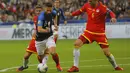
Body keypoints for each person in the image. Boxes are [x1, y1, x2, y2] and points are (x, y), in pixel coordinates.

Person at [67, 0, 123, 72]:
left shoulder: (103, 8)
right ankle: (75, 67)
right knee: (76, 44)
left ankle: (116, 66)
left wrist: (113, 17)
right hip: (88, 32)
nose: (89, 2)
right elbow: (79, 11)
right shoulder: (87, 5)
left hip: (100, 34)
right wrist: (71, 14)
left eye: (90, 1)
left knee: (107, 53)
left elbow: (111, 12)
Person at [35, 2, 63, 72]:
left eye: (50, 10)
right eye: (47, 10)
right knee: (40, 55)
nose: (49, 12)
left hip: (49, 37)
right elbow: (39, 29)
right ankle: (42, 65)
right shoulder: (41, 17)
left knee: (53, 52)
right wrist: (47, 30)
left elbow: (55, 15)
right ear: (44, 9)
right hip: (39, 39)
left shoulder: (52, 12)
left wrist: (55, 24)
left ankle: (58, 65)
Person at [16, 5, 43, 72]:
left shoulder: (45, 18)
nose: (38, 12)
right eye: (37, 11)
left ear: (42, 11)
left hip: (43, 40)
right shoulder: (35, 18)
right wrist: (34, 33)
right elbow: (35, 27)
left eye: (40, 11)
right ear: (35, 12)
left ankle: (43, 66)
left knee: (40, 57)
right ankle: (25, 66)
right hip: (35, 39)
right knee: (26, 56)